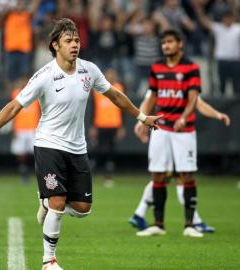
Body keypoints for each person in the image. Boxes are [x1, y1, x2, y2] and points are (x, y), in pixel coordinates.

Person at [0, 18, 161, 270]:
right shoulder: (44, 76)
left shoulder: (90, 70)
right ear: (55, 45)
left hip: (77, 148)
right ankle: (49, 260)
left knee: (82, 208)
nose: (75, 44)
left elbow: (116, 97)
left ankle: (45, 200)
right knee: (58, 201)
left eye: (77, 40)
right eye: (68, 41)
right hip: (48, 144)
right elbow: (14, 106)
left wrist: (142, 117)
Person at [134, 29, 205, 238]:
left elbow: (193, 98)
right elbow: (153, 96)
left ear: (180, 44)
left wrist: (184, 116)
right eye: (163, 42)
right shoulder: (156, 67)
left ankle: (190, 225)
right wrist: (142, 118)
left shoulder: (191, 67)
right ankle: (158, 224)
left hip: (183, 129)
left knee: (187, 174)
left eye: (170, 42)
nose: (166, 45)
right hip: (161, 128)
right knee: (157, 174)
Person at [130, 93, 231, 232]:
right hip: (165, 134)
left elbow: (198, 102)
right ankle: (194, 221)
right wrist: (140, 121)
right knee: (171, 177)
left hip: (177, 136)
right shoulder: (161, 79)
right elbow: (148, 102)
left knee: (167, 177)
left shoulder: (185, 80)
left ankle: (140, 213)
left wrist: (217, 115)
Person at [89, 68, 125, 186]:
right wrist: (92, 126)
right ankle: (90, 177)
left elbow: (123, 108)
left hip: (114, 124)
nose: (110, 76)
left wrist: (122, 126)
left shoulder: (120, 87)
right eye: (108, 74)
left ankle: (109, 177)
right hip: (100, 124)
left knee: (111, 151)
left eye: (112, 74)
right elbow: (93, 109)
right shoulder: (97, 89)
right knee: (97, 150)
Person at [10, 77, 40, 184]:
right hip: (20, 128)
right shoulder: (15, 94)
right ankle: (24, 171)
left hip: (33, 128)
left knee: (37, 152)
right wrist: (13, 129)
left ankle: (37, 173)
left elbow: (41, 111)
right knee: (20, 153)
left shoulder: (36, 93)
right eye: (22, 81)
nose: (24, 83)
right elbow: (11, 112)